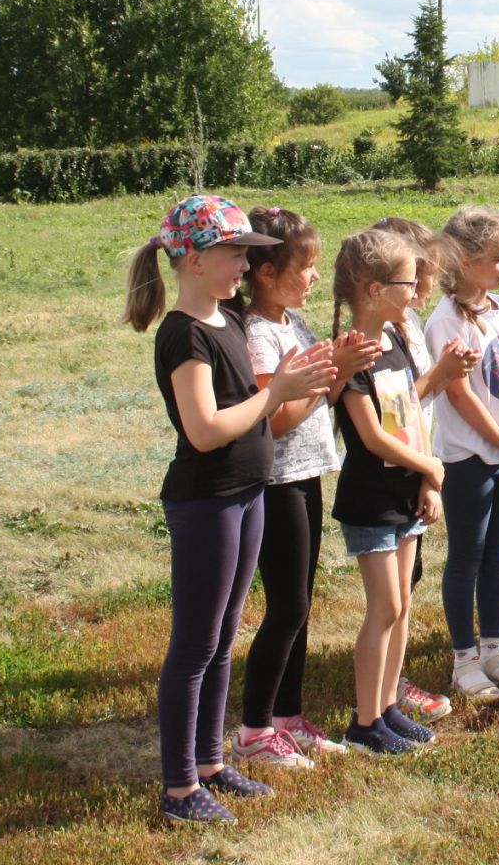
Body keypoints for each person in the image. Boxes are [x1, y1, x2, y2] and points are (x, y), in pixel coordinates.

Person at [124, 195, 333, 825]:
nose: (244, 264)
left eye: (246, 253)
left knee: (222, 641)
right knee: (194, 645)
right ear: (191, 259)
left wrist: (286, 386)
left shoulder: (230, 325)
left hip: (246, 494)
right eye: (234, 252)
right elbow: (206, 430)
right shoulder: (184, 334)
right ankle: (180, 786)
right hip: (206, 501)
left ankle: (211, 764)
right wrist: (279, 397)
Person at [233, 206, 378, 769]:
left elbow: (321, 390)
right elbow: (274, 417)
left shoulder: (293, 324)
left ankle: (287, 718)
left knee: (301, 605)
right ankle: (253, 728)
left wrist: (340, 369)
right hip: (275, 483)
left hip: (306, 475)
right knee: (286, 606)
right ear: (266, 273)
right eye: (306, 266)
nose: (315, 276)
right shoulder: (258, 334)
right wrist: (327, 375)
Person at [329, 228, 446, 756]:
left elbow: (410, 418)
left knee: (401, 608)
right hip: (372, 497)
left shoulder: (397, 338)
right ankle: (364, 721)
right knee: (385, 607)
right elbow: (373, 435)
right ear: (374, 291)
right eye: (407, 280)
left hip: (407, 491)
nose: (418, 287)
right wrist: (430, 465)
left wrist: (426, 478)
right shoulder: (351, 355)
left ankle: (388, 708)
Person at [425, 206, 499, 702]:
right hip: (469, 458)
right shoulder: (446, 319)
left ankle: (494, 649)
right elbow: (456, 391)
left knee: (497, 555)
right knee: (467, 556)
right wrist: (498, 437)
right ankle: (464, 660)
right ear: (466, 262)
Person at [370, 216, 478, 725]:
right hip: (392, 472)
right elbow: (391, 412)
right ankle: (381, 696)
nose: (430, 282)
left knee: (405, 588)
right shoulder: (382, 330)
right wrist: (440, 374)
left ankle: (391, 686)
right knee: (390, 597)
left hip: (416, 466)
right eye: (424, 271)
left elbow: (415, 412)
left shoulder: (407, 324)